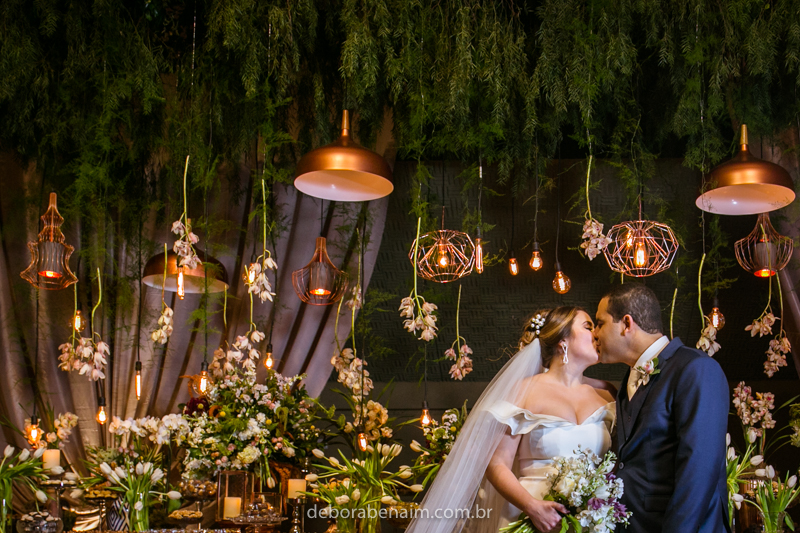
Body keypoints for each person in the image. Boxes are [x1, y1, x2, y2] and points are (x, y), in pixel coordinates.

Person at [406, 306, 615, 533]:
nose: (596, 334)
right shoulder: (524, 391)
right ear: (563, 340)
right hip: (530, 517)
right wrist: (532, 507)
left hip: (590, 520)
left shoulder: (607, 394)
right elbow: (497, 464)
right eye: (588, 326)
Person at [593, 283, 730, 533]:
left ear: (626, 324)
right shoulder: (628, 382)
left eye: (600, 323)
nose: (595, 334)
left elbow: (699, 469)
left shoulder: (696, 369)